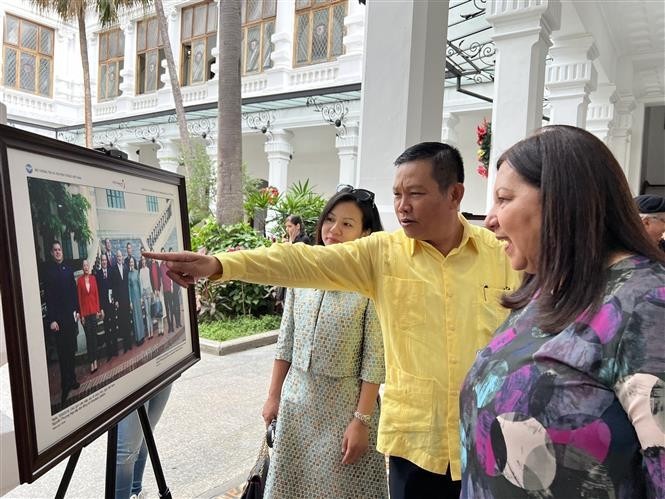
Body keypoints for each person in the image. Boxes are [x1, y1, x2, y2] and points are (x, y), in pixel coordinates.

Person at [144, 141, 521, 497]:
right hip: (415, 444)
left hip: (483, 438)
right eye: (397, 195)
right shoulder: (383, 255)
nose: (403, 206)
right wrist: (220, 264)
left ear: (454, 194)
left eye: (416, 194)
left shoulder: (500, 254)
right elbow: (302, 261)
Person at [460, 125, 665, 498]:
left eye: (504, 199)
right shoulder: (546, 288)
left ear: (562, 201)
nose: (489, 219)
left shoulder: (647, 306)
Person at [262, 187, 388, 498]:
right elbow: (286, 341)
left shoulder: (371, 286)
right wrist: (273, 396)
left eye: (347, 224)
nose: (334, 230)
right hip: (296, 406)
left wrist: (361, 422)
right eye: (330, 219)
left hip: (344, 411)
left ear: (365, 233)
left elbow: (374, 361)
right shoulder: (302, 273)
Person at [115, 385, 173, 499]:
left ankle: (135, 492)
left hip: (159, 369)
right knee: (127, 451)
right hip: (129, 376)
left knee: (145, 435)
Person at [42, 241, 80, 405]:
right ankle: (65, 384)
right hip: (58, 321)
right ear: (52, 253)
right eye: (55, 250)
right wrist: (52, 320)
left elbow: (73, 292)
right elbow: (49, 299)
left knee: (71, 350)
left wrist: (77, 311)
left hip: (70, 318)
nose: (58, 252)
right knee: (63, 353)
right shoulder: (49, 273)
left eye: (60, 250)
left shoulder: (68, 270)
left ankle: (72, 379)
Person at [76, 259, 102, 373]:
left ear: (89, 267)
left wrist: (97, 310)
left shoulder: (93, 278)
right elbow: (80, 299)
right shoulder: (79, 280)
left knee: (94, 338)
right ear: (82, 268)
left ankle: (95, 360)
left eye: (87, 265)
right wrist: (81, 315)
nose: (86, 267)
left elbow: (96, 295)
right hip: (85, 314)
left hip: (93, 312)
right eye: (84, 265)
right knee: (88, 338)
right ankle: (91, 362)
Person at [96, 253, 118, 360]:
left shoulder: (111, 271)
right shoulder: (98, 274)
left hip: (111, 304)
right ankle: (109, 352)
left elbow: (114, 286)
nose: (104, 262)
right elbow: (98, 293)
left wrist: (115, 298)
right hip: (104, 307)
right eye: (102, 260)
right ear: (101, 261)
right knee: (107, 328)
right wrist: (100, 308)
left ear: (107, 261)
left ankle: (115, 350)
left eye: (105, 260)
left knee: (113, 326)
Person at [112, 249, 132, 353]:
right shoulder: (114, 269)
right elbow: (114, 287)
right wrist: (115, 300)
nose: (119, 258)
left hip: (127, 299)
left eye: (120, 256)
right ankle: (125, 346)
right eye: (118, 257)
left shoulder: (126, 267)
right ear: (116, 258)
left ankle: (129, 344)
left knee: (128, 321)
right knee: (122, 322)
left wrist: (130, 299)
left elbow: (128, 284)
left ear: (122, 257)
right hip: (119, 301)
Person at [127, 258, 145, 346]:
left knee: (140, 317)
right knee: (135, 318)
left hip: (138, 297)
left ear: (134, 263)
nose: (131, 263)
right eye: (130, 262)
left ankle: (142, 336)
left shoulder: (137, 272)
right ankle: (138, 338)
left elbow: (140, 285)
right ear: (129, 263)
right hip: (133, 299)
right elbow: (129, 289)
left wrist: (141, 297)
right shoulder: (128, 275)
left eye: (132, 262)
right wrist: (130, 301)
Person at [138, 255, 153, 340]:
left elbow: (150, 281)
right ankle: (149, 333)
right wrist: (141, 296)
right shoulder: (140, 271)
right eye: (142, 260)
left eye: (144, 259)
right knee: (147, 313)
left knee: (150, 312)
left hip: (148, 291)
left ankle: (151, 331)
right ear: (141, 261)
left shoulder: (148, 270)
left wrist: (151, 292)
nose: (143, 261)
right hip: (143, 293)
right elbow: (140, 284)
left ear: (145, 261)